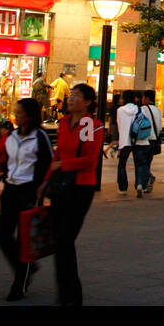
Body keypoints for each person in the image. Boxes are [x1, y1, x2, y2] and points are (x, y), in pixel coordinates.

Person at [43, 84, 103, 305]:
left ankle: (71, 294)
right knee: (59, 240)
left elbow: (89, 160)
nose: (70, 99)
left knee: (65, 239)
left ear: (88, 102)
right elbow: (58, 152)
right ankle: (65, 292)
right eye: (70, 95)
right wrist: (47, 179)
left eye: (76, 96)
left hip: (80, 187)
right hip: (61, 186)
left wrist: (62, 165)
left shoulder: (89, 124)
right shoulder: (64, 123)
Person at [0, 98, 52, 301]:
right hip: (10, 190)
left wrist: (41, 191)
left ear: (29, 115)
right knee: (2, 235)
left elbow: (48, 166)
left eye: (19, 112)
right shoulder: (12, 136)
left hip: (29, 192)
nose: (16, 115)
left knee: (24, 240)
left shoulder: (40, 137)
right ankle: (27, 268)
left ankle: (20, 283)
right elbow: (6, 160)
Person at [132, 90, 162, 196]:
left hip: (143, 139)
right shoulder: (158, 110)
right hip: (154, 139)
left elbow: (137, 124)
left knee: (140, 163)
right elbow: (159, 127)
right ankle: (144, 183)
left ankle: (141, 182)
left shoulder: (142, 109)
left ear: (146, 98)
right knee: (147, 162)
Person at [114, 90, 138, 194]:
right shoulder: (138, 109)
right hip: (137, 140)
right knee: (139, 164)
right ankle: (140, 184)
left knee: (122, 164)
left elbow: (119, 125)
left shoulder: (120, 110)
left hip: (124, 140)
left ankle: (123, 187)